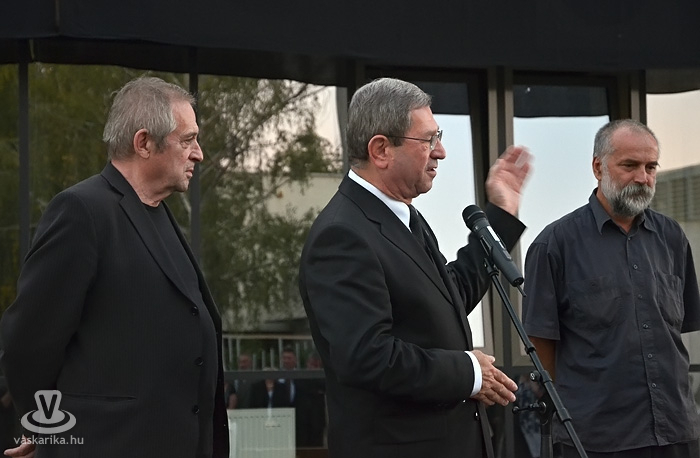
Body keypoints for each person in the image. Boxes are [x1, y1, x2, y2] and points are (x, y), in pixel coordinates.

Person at [298, 77, 532, 458]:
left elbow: (448, 297)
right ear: (381, 150)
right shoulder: (342, 235)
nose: (441, 152)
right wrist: (469, 373)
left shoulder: (404, 217)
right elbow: (368, 357)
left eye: (438, 137)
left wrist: (501, 215)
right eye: (428, 140)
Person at [0, 76, 229, 458]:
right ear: (144, 143)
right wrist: (41, 429)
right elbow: (28, 340)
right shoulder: (82, 211)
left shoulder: (159, 214)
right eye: (188, 140)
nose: (199, 154)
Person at [521, 119, 700, 458]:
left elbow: (679, 331)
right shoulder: (555, 244)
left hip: (676, 432)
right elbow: (540, 342)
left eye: (651, 167)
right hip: (596, 439)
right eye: (630, 166)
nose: (642, 177)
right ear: (598, 167)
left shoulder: (672, 237)